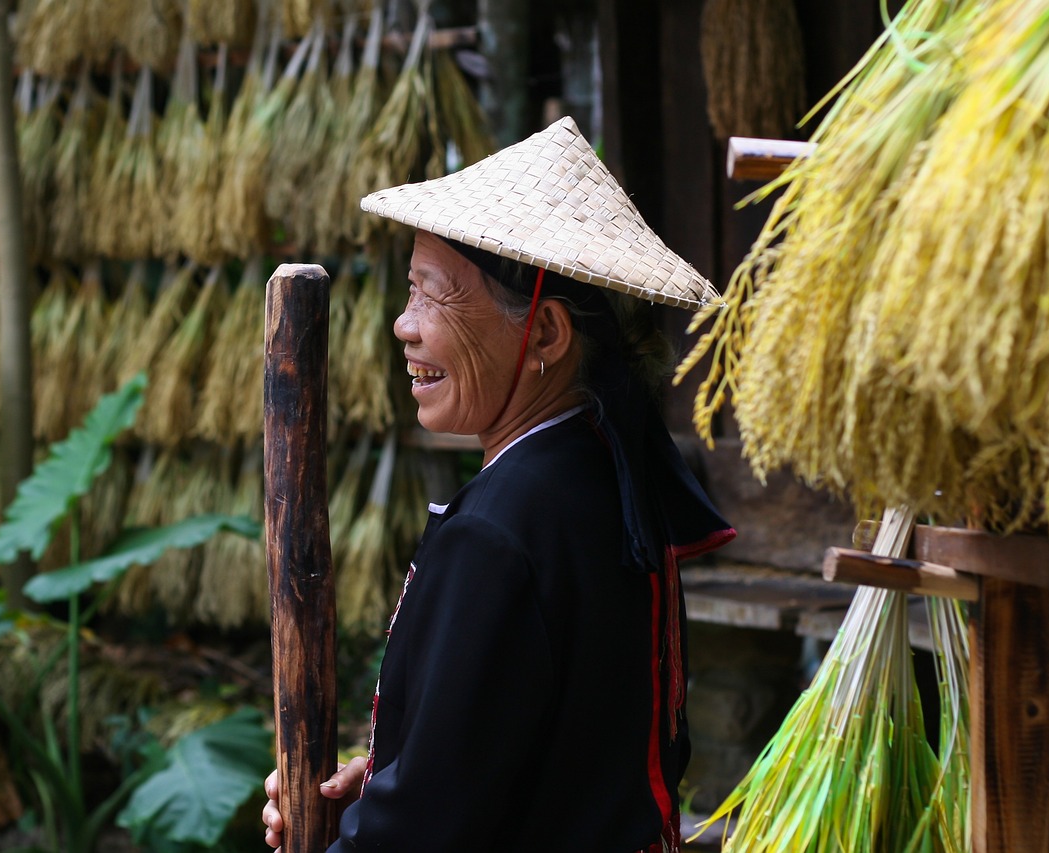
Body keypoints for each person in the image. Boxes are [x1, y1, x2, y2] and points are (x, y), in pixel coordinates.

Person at [262, 116, 735, 853]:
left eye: (432, 296)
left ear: (544, 334)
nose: (402, 326)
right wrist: (390, 779)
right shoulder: (597, 475)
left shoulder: (504, 530)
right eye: (408, 291)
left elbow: (418, 837)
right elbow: (543, 764)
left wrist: (375, 821)